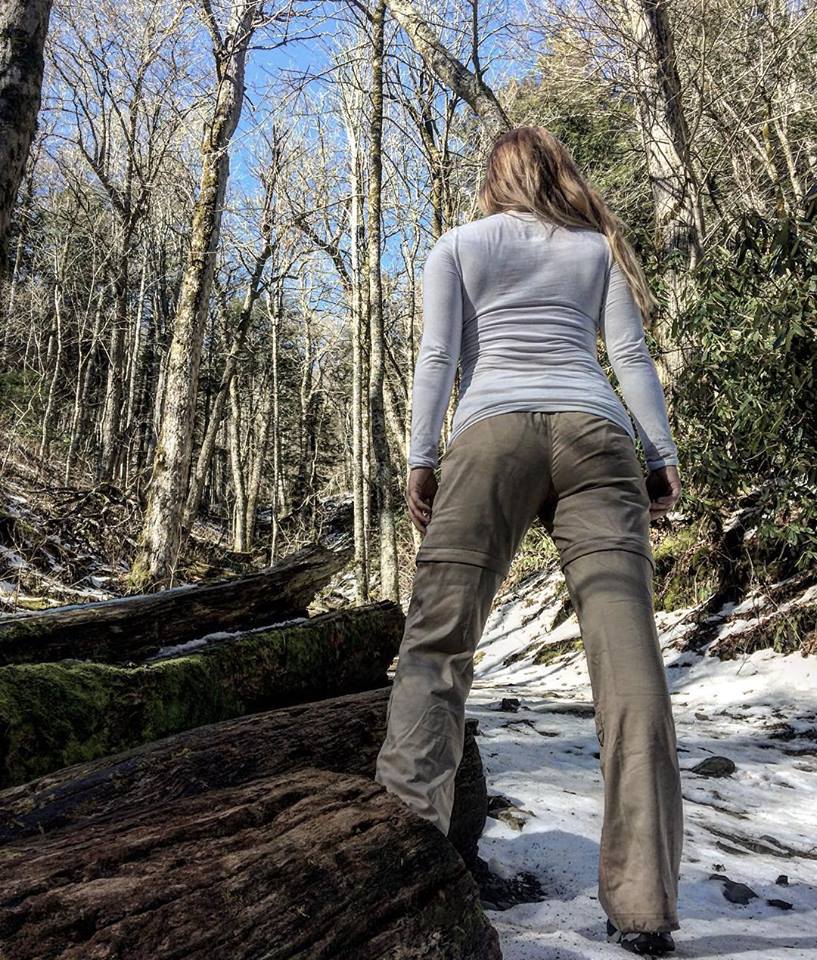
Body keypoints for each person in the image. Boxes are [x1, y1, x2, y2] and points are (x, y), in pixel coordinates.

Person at [373, 126, 685, 956]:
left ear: (492, 178)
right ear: (559, 174)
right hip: (595, 433)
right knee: (627, 662)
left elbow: (437, 356)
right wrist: (660, 454)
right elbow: (630, 356)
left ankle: (405, 883)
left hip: (490, 434)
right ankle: (644, 905)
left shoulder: (458, 245)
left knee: (436, 647)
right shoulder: (594, 247)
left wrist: (421, 457)